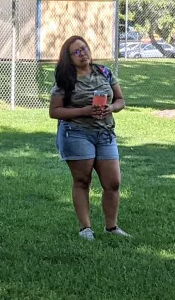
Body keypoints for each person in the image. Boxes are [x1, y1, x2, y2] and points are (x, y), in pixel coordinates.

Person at [49, 34, 129, 240]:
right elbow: (55, 111)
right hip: (76, 133)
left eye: (83, 48)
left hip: (105, 133)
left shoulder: (104, 72)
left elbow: (120, 100)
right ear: (69, 58)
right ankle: (86, 228)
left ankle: (112, 227)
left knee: (113, 183)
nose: (82, 53)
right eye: (76, 52)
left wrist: (110, 107)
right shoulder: (65, 79)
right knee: (82, 180)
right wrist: (85, 111)